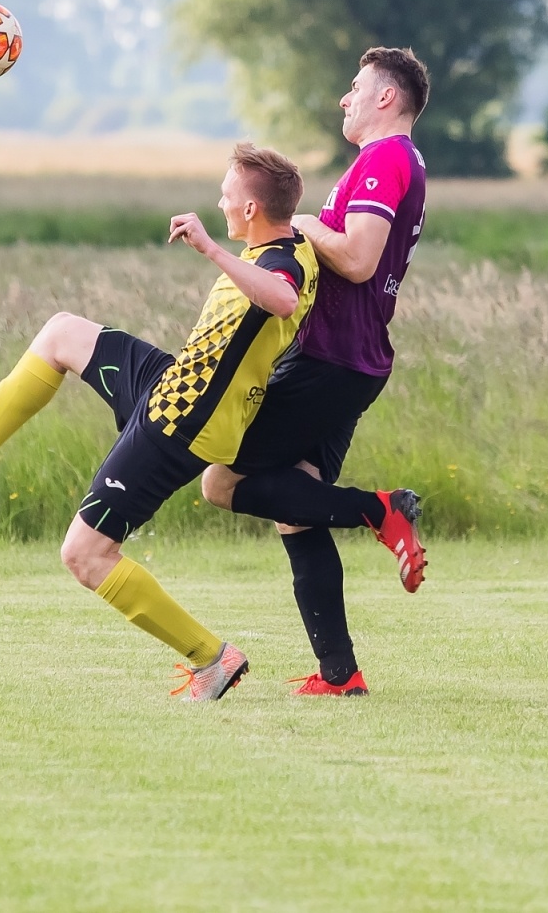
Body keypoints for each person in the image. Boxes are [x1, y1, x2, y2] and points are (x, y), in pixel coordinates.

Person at [0, 143, 318, 701]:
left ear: (252, 210)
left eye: (228, 195)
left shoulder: (278, 262)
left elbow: (280, 299)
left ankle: (214, 658)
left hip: (182, 421)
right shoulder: (294, 241)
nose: (220, 203)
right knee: (61, 331)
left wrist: (209, 248)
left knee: (84, 556)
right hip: (177, 383)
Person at [200, 47, 432, 698]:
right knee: (295, 506)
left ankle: (380, 509)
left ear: (386, 97)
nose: (344, 98)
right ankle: (340, 674)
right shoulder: (394, 161)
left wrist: (303, 224)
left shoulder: (386, 157)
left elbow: (357, 260)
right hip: (352, 360)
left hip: (331, 358)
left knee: (221, 482)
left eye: (355, 87)